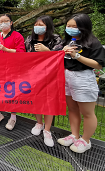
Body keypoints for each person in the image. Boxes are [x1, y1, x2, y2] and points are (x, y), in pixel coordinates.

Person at [57, 14, 105, 153]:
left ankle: (86, 140)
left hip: (83, 78)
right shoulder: (68, 41)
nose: (70, 29)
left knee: (87, 113)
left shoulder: (93, 43)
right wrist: (62, 52)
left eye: (74, 26)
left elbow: (98, 65)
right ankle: (74, 135)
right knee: (72, 109)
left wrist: (77, 56)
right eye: (68, 26)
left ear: (83, 27)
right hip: (67, 77)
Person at [25, 15, 63, 147]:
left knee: (49, 102)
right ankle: (39, 123)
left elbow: (59, 56)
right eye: (36, 24)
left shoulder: (56, 39)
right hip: (34, 75)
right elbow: (27, 57)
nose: (38, 27)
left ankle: (47, 130)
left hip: (51, 76)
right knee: (36, 100)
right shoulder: (30, 39)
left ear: (48, 26)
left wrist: (47, 51)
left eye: (41, 24)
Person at [0, 14, 26, 130]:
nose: (3, 23)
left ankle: (13, 117)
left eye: (6, 21)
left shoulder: (17, 36)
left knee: (12, 93)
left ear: (11, 23)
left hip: (13, 70)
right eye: (1, 21)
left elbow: (21, 52)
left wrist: (7, 50)